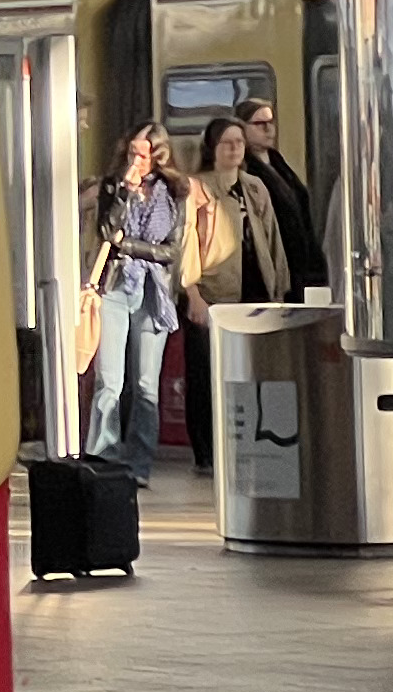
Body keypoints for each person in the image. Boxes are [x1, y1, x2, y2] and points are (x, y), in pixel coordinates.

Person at [179, 114, 284, 470]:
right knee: (206, 375)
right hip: (213, 293)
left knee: (250, 373)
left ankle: (249, 443)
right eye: (227, 142)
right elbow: (185, 244)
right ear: (213, 148)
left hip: (254, 291)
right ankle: (207, 451)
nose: (235, 148)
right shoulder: (196, 188)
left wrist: (279, 290)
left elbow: (272, 241)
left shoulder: (254, 187)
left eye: (239, 142)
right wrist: (192, 294)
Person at [80, 121, 182, 476]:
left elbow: (171, 251)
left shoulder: (174, 191)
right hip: (116, 286)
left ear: (158, 155)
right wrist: (125, 193)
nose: (135, 159)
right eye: (131, 152)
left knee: (145, 383)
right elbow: (108, 230)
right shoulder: (112, 185)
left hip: (153, 293)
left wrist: (130, 246)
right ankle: (103, 456)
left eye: (143, 154)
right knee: (109, 379)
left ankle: (139, 463)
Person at [238, 97, 328, 298]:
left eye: (271, 122)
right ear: (243, 128)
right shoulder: (246, 170)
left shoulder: (277, 162)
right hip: (275, 257)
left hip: (299, 256)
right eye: (259, 124)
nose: (268, 129)